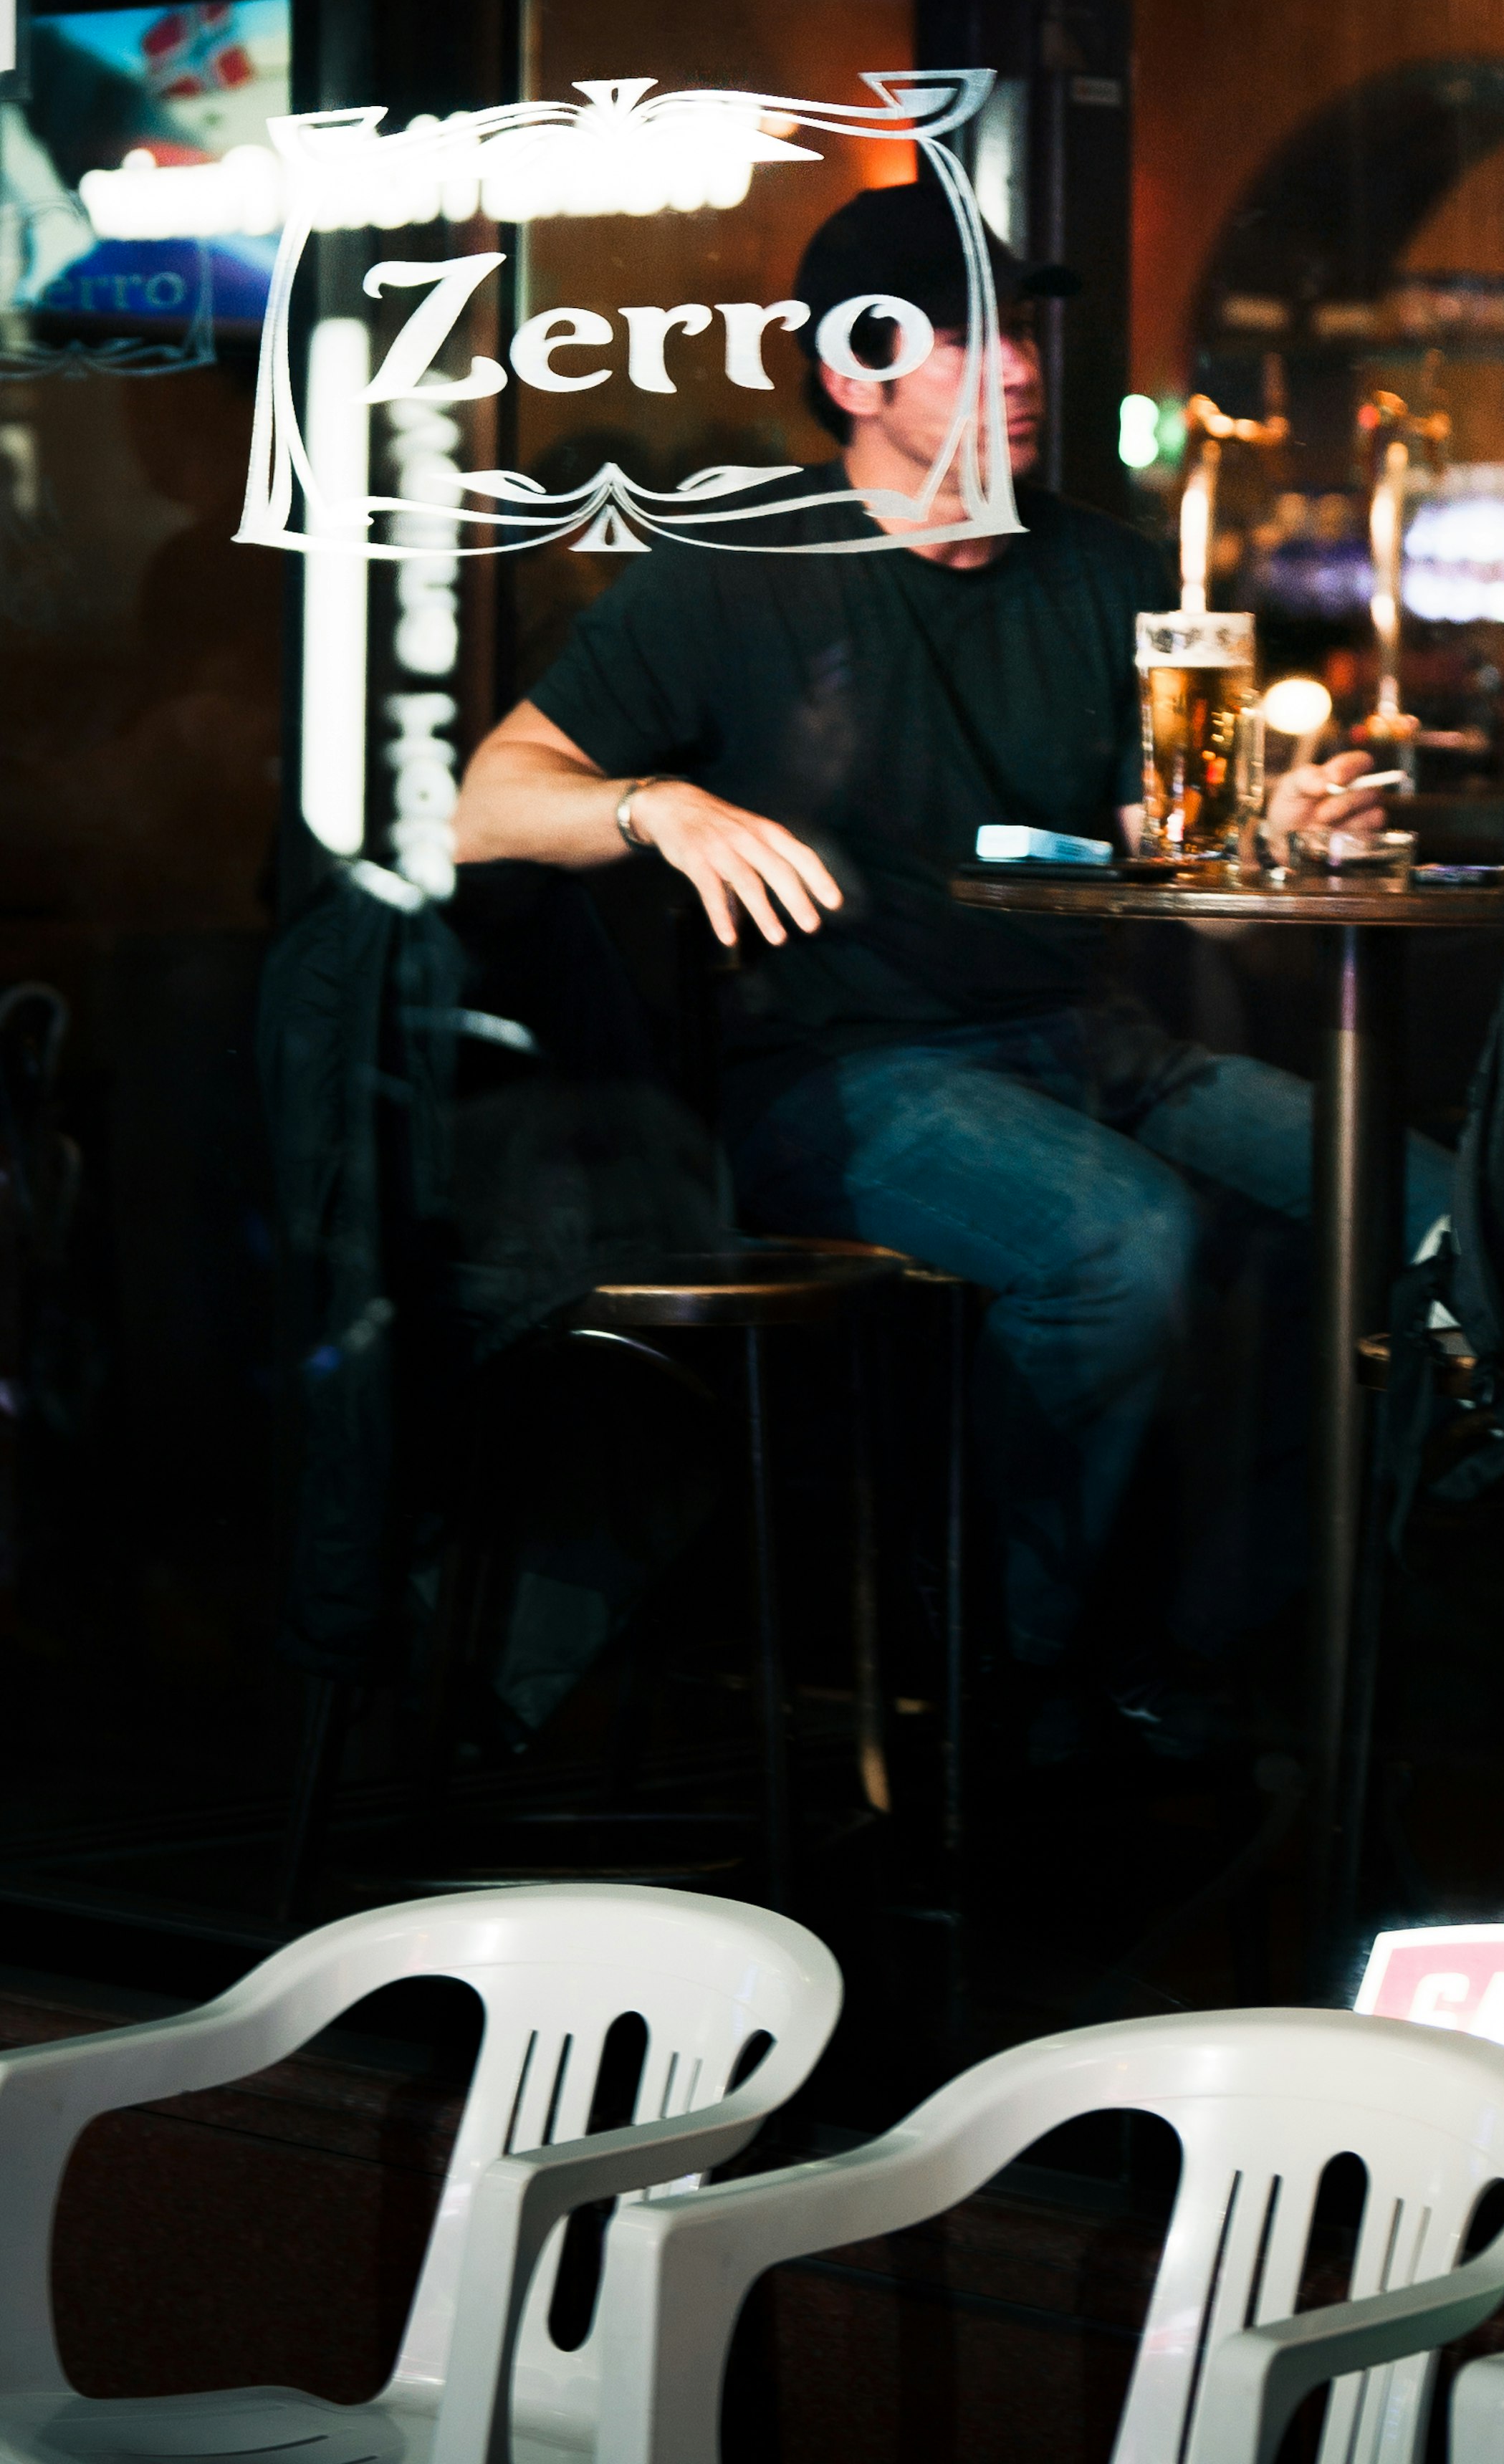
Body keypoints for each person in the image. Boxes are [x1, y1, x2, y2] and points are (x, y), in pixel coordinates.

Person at [452, 177, 1435, 1753]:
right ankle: (1013, 1666)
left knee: (1433, 1226)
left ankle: (1230, 1647)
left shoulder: (1106, 574)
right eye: (962, 335)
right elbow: (482, 803)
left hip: (1103, 1044)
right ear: (851, 373)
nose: (1022, 365)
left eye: (1021, 328)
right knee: (1127, 1247)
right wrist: (658, 804)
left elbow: (1149, 827)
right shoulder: (735, 568)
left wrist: (1279, 828)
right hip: (844, 1068)